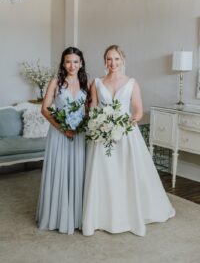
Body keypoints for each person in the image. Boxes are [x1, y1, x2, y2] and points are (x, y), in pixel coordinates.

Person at [82, 45, 175, 237]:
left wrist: (124, 123)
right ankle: (104, 215)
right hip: (102, 134)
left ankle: (131, 213)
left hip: (125, 133)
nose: (112, 63)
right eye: (109, 59)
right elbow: (93, 108)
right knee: (105, 173)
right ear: (104, 61)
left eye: (116, 59)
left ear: (122, 60)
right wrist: (100, 123)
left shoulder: (132, 83)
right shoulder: (96, 83)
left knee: (127, 172)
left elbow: (138, 111)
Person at [36, 46, 89, 234]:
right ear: (63, 63)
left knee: (79, 172)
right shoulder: (56, 82)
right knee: (59, 171)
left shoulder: (86, 84)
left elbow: (89, 111)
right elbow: (45, 109)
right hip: (59, 135)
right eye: (68, 61)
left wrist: (84, 124)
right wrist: (62, 128)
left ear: (81, 63)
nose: (72, 65)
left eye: (75, 61)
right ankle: (57, 216)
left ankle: (77, 216)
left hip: (80, 135)